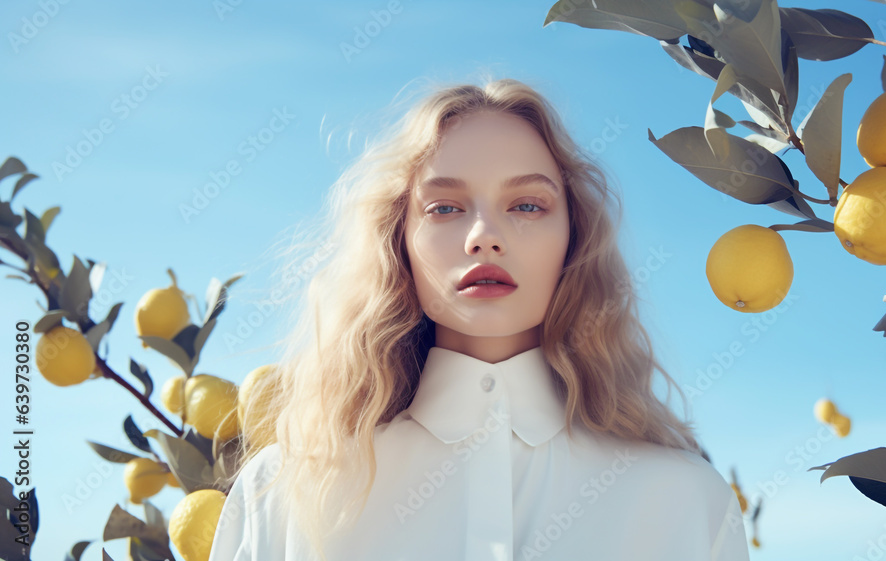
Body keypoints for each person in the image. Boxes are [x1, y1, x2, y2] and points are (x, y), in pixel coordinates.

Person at [208, 76, 750, 561]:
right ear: (399, 240)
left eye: (527, 205)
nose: (484, 235)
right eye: (444, 207)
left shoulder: (686, 502)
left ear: (574, 239)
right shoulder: (282, 493)